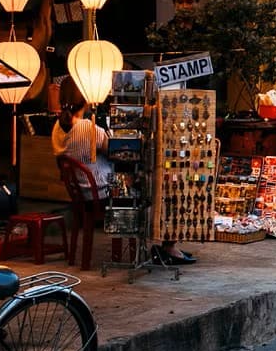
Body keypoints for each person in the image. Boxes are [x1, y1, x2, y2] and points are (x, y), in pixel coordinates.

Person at [54, 100, 197, 265]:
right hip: (102, 191)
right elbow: (116, 151)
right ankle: (168, 246)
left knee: (145, 183)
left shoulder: (57, 128)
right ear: (84, 101)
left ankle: (163, 244)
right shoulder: (87, 128)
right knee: (164, 190)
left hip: (83, 191)